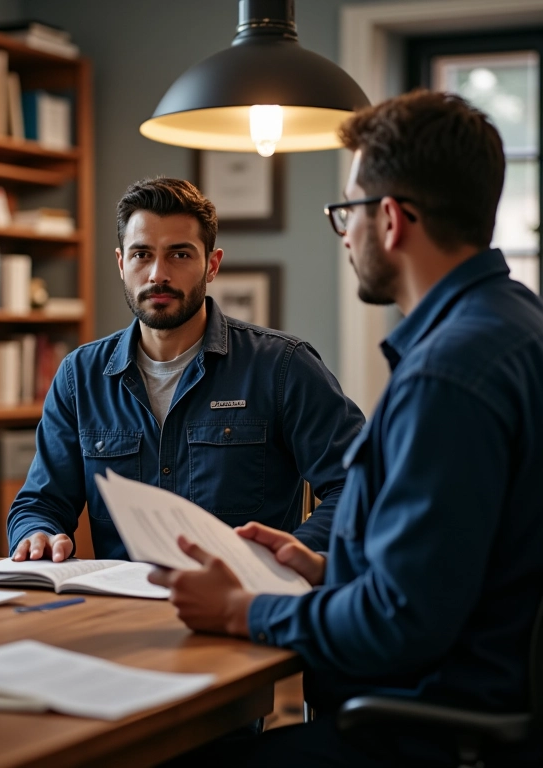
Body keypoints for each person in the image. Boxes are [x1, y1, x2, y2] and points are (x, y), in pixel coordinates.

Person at [149, 90, 543, 767]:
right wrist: (331, 567)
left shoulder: (446, 376)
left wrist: (243, 609)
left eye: (346, 212)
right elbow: (456, 562)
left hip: (416, 733)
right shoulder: (515, 324)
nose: (345, 233)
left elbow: (399, 623)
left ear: (390, 220)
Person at [8, 177, 364, 562]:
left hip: (249, 607)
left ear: (212, 265)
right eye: (141, 254)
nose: (158, 274)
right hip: (124, 610)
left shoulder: (283, 367)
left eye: (179, 255)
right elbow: (39, 503)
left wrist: (295, 551)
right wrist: (37, 533)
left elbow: (360, 484)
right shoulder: (80, 377)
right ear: (121, 263)